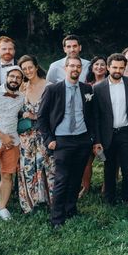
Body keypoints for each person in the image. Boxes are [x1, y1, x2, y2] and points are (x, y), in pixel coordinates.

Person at [38, 56, 96, 229]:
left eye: (78, 66)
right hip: (62, 140)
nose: (75, 69)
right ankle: (57, 218)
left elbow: (92, 116)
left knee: (76, 177)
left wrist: (92, 138)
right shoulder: (53, 90)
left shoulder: (87, 89)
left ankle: (71, 209)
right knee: (62, 179)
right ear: (65, 68)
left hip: (82, 139)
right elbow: (41, 117)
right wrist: (49, 139)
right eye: (72, 66)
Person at [92, 53, 128, 205]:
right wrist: (97, 139)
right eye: (114, 67)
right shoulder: (98, 88)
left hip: (127, 132)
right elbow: (96, 117)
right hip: (108, 134)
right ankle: (109, 198)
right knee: (109, 168)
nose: (117, 70)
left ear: (125, 68)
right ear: (108, 67)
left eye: (121, 68)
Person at [0, 67, 24, 221]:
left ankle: (2, 207)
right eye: (12, 76)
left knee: (7, 175)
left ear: (21, 81)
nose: (14, 80)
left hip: (12, 143)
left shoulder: (21, 97)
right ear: (6, 78)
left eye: (18, 78)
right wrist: (2, 136)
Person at [17, 55, 54, 213]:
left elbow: (55, 113)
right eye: (24, 69)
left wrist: (34, 116)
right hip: (26, 136)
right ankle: (30, 203)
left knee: (47, 166)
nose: (27, 71)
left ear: (36, 67)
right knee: (28, 167)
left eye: (30, 67)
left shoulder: (49, 86)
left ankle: (51, 201)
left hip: (44, 134)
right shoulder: (21, 88)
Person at [79, 55, 107, 197]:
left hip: (106, 124)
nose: (99, 67)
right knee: (87, 158)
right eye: (96, 65)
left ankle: (106, 185)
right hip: (90, 125)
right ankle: (86, 186)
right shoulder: (86, 85)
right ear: (92, 67)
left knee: (106, 158)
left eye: (102, 64)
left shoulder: (110, 83)